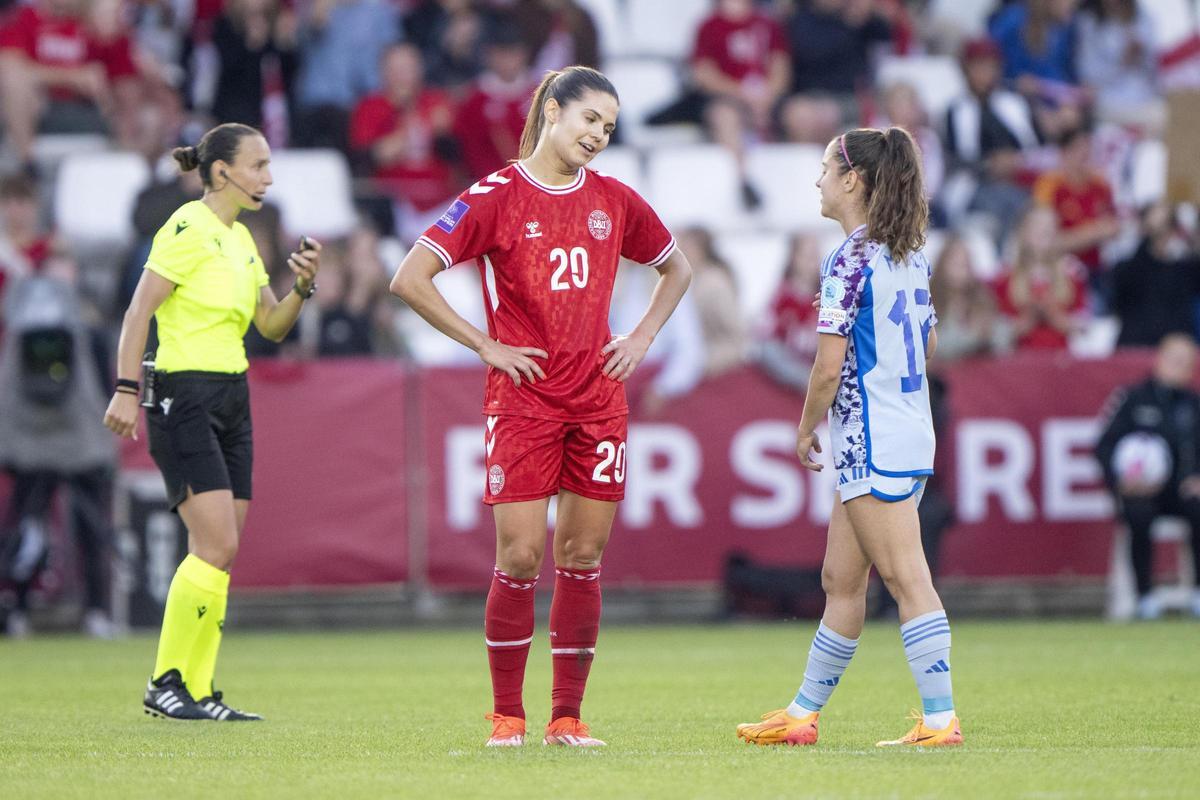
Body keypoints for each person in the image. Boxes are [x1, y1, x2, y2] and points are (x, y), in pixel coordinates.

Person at [391, 65, 692, 748]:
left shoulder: (614, 199)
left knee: (582, 556)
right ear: (553, 111)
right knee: (522, 556)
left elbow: (677, 268)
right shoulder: (495, 196)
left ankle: (566, 719)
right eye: (590, 119)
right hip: (523, 402)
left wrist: (641, 337)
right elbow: (410, 277)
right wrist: (484, 344)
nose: (599, 135)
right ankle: (507, 717)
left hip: (598, 401)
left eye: (609, 127)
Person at [736, 127, 962, 748]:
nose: (817, 181)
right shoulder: (909, 253)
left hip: (872, 436)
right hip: (907, 427)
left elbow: (828, 367)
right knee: (841, 579)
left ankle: (941, 720)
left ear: (851, 179)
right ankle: (802, 715)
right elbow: (929, 342)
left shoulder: (849, 258)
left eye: (824, 170)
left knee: (907, 577)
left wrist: (806, 425)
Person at [102, 122, 323, 721]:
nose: (268, 177)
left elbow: (270, 325)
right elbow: (137, 312)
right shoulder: (186, 227)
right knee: (216, 543)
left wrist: (302, 287)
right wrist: (126, 389)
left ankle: (197, 690)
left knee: (220, 552)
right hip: (183, 394)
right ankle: (165, 683)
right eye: (258, 165)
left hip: (232, 394)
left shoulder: (242, 238)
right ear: (222, 171)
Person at [1095, 334, 1200, 619]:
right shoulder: (1132, 398)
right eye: (1176, 360)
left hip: (1181, 488)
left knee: (1198, 508)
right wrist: (1120, 482)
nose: (1182, 368)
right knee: (1138, 516)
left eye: (1188, 363)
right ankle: (1144, 596)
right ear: (1160, 360)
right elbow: (1104, 445)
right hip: (1141, 490)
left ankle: (1197, 592)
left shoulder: (1193, 404)